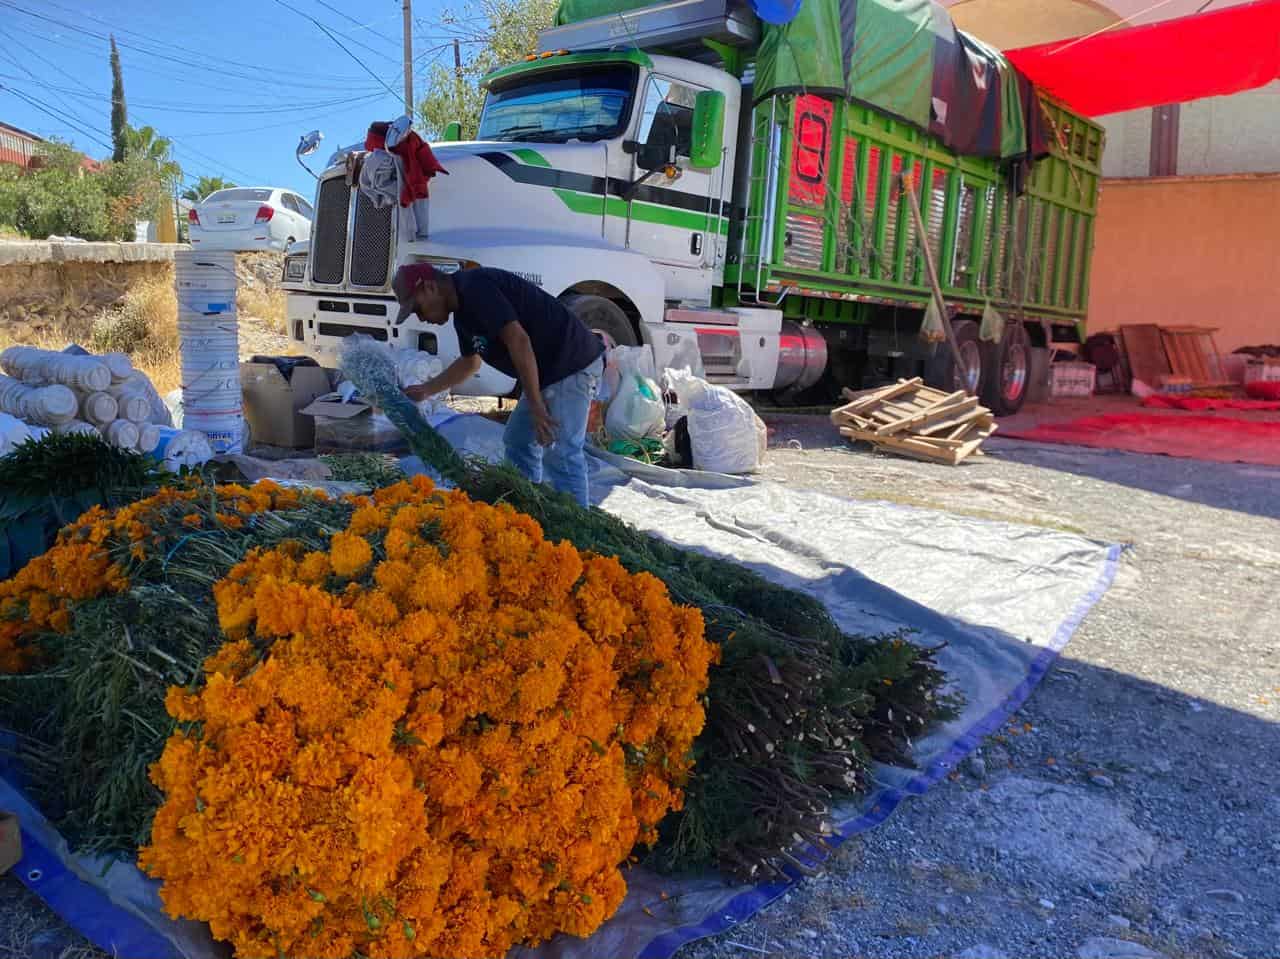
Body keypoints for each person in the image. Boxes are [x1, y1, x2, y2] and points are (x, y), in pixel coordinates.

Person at [393, 263, 605, 506]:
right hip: (547, 373)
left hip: (570, 363)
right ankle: (524, 507)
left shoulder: (476, 289)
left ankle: (576, 533)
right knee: (518, 440)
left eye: (417, 308)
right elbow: (469, 363)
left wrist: (536, 406)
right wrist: (427, 389)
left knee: (560, 451)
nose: (420, 317)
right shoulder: (462, 315)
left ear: (430, 287)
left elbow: (519, 341)